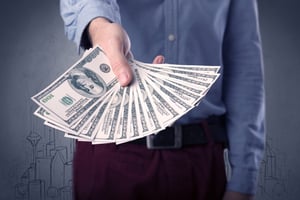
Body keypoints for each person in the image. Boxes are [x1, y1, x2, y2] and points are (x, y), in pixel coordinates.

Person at [60, 1, 265, 200]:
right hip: (111, 155)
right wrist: (99, 26)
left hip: (202, 160)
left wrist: (244, 180)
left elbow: (243, 65)